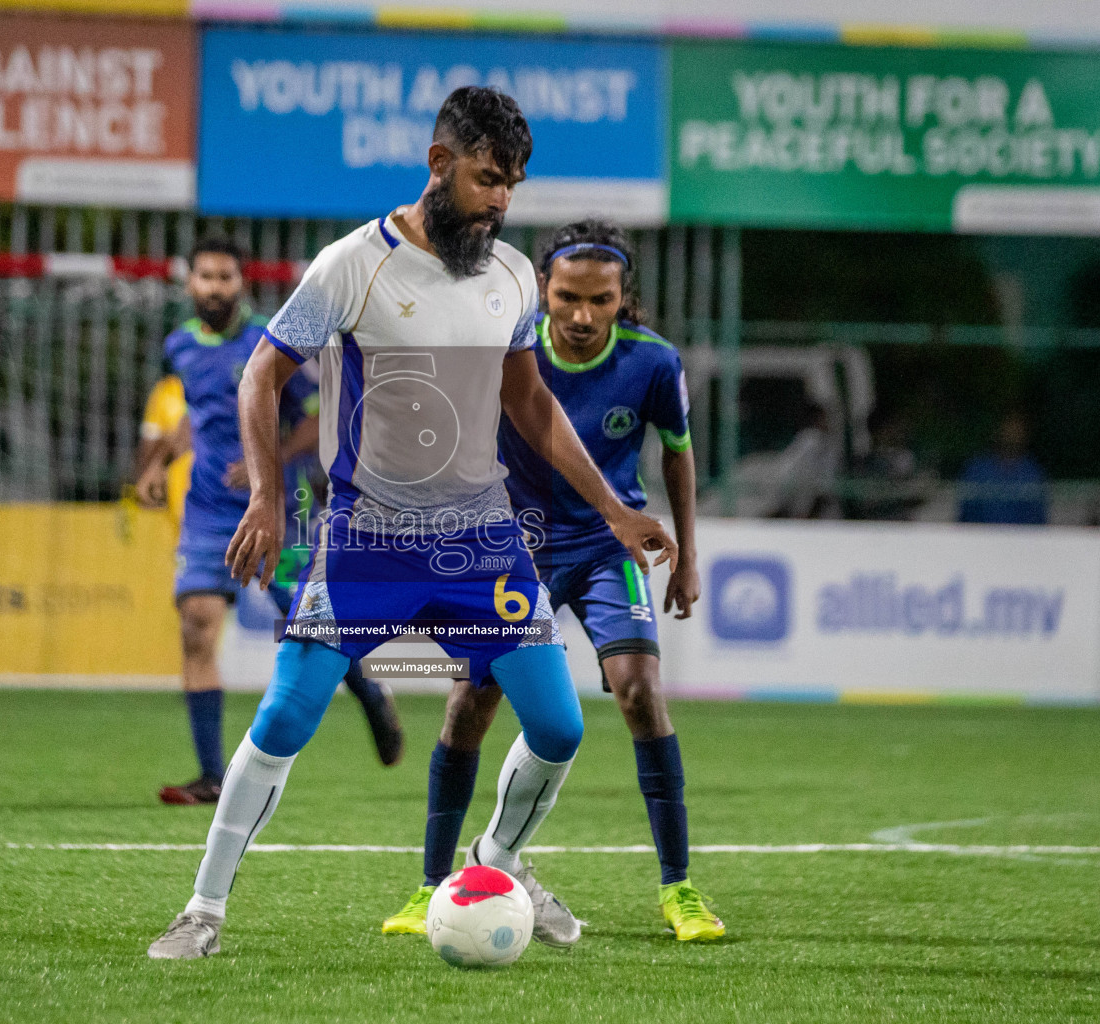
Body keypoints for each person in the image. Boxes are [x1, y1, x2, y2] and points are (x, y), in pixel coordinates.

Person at [146, 88, 674, 960]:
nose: (500, 199)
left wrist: (615, 510)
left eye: (512, 184)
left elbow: (530, 401)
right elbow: (258, 376)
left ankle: (497, 860)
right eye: (486, 178)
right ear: (440, 165)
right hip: (367, 540)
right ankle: (202, 909)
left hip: (482, 541)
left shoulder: (510, 277)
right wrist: (268, 498)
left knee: (561, 727)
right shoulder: (352, 265)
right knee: (286, 715)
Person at [379, 219, 725, 943]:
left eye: (600, 300)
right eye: (567, 296)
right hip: (511, 553)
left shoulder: (654, 364)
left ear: (623, 297)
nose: (581, 315)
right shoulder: (505, 346)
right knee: (471, 700)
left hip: (605, 547)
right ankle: (428, 886)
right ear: (543, 287)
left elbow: (679, 457)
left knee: (640, 689)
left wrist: (688, 555)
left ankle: (680, 890)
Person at [134, 238, 403, 807]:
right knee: (196, 628)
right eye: (204, 276)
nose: (214, 287)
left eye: (224, 277)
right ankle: (211, 774)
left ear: (241, 283)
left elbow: (314, 418)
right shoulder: (178, 345)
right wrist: (158, 464)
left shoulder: (275, 340)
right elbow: (199, 414)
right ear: (190, 285)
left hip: (278, 509)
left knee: (317, 630)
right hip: (207, 513)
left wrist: (269, 461)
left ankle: (370, 695)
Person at [957, 412, 1048, 525]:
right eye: (1008, 428)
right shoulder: (977, 469)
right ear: (998, 431)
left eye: (1017, 429)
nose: (1012, 434)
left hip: (1022, 540)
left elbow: (1037, 518)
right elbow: (966, 514)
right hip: (980, 538)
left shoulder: (1032, 472)